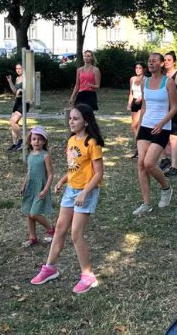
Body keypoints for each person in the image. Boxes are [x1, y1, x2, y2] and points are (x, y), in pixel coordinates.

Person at [30, 104, 104, 294]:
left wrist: (84, 193)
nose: (71, 121)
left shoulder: (92, 143)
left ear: (86, 121)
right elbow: (73, 168)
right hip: (71, 190)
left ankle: (88, 276)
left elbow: (98, 174)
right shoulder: (71, 141)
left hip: (85, 192)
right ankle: (50, 268)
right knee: (60, 229)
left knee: (76, 234)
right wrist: (62, 181)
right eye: (70, 118)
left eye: (76, 118)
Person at [132, 52, 177, 216]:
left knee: (149, 163)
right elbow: (144, 106)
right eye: (149, 61)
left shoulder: (169, 82)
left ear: (162, 64)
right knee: (141, 164)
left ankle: (166, 188)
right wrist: (139, 126)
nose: (151, 63)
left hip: (162, 126)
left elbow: (174, 107)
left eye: (154, 61)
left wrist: (162, 123)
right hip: (146, 125)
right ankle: (146, 203)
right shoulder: (145, 81)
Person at [20, 126, 55, 247]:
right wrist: (24, 185)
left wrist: (45, 189)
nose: (36, 141)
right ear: (30, 141)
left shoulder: (45, 156)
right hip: (30, 187)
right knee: (28, 213)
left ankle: (51, 228)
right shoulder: (30, 154)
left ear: (44, 141)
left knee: (34, 213)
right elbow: (29, 171)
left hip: (40, 187)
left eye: (40, 139)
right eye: (34, 139)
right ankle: (32, 237)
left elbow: (50, 175)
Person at [7, 63, 30, 151]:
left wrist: (21, 90)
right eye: (16, 69)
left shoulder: (26, 78)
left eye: (20, 68)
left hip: (24, 102)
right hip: (17, 102)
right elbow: (14, 91)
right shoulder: (17, 78)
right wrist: (10, 82)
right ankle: (15, 144)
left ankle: (22, 140)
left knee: (12, 121)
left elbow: (28, 91)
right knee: (14, 123)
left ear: (23, 68)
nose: (18, 70)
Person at [127, 62, 146, 159]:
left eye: (140, 68)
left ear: (143, 69)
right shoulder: (132, 79)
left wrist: (141, 97)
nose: (138, 69)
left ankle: (139, 149)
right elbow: (131, 92)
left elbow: (147, 92)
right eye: (136, 67)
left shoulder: (146, 79)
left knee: (137, 126)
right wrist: (129, 103)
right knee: (133, 127)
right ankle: (139, 147)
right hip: (134, 102)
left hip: (142, 103)